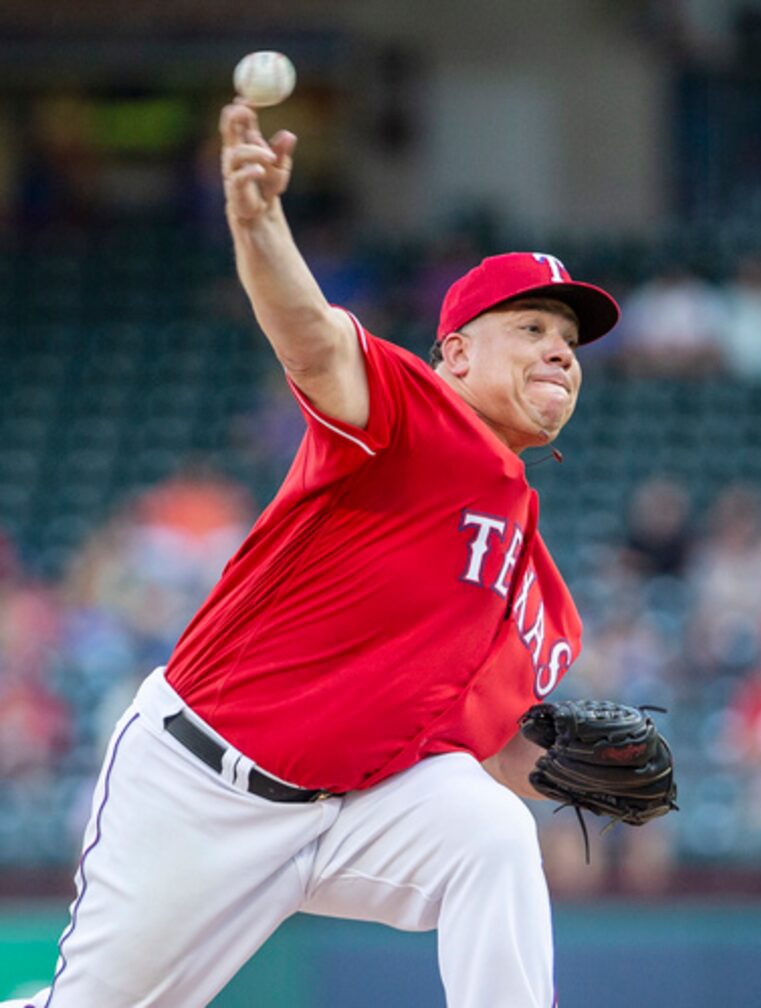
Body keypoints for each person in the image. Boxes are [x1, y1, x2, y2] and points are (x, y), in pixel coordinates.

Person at [7, 100, 620, 1008]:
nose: (559, 354)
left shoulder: (527, 563)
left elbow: (476, 746)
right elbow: (311, 334)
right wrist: (258, 228)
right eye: (530, 329)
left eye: (568, 343)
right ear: (452, 352)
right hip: (203, 788)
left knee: (490, 836)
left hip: (353, 810)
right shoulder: (409, 414)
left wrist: (572, 769)